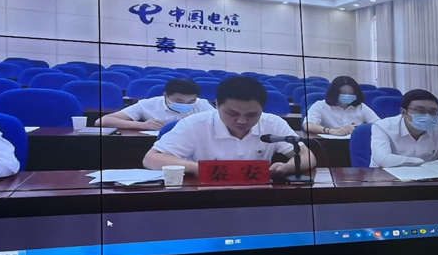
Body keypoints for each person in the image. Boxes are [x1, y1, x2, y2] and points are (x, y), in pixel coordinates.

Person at [142, 76, 315, 178]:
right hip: (204, 195)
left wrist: (288, 167)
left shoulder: (272, 123)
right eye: (233, 114)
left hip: (257, 194)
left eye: (251, 115)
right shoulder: (195, 124)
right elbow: (151, 158)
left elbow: (307, 156)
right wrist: (198, 169)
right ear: (217, 105)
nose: (241, 121)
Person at [370, 89, 438, 168]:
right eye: (420, 110)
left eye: (433, 112)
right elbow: (383, 159)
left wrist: (428, 165)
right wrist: (419, 163)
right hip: (385, 178)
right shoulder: (382, 126)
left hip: (425, 177)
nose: (427, 116)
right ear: (404, 112)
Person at [96, 78, 214, 131]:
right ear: (165, 95)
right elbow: (102, 121)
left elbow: (219, 123)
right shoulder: (148, 104)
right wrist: (143, 125)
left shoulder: (202, 104)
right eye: (179, 101)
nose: (185, 105)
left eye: (191, 102)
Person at [304, 75, 379, 136]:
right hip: (328, 143)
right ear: (334, 92)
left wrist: (356, 128)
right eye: (343, 93)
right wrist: (331, 131)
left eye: (351, 93)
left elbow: (378, 124)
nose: (347, 96)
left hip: (356, 143)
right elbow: (308, 125)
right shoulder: (320, 105)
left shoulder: (361, 107)